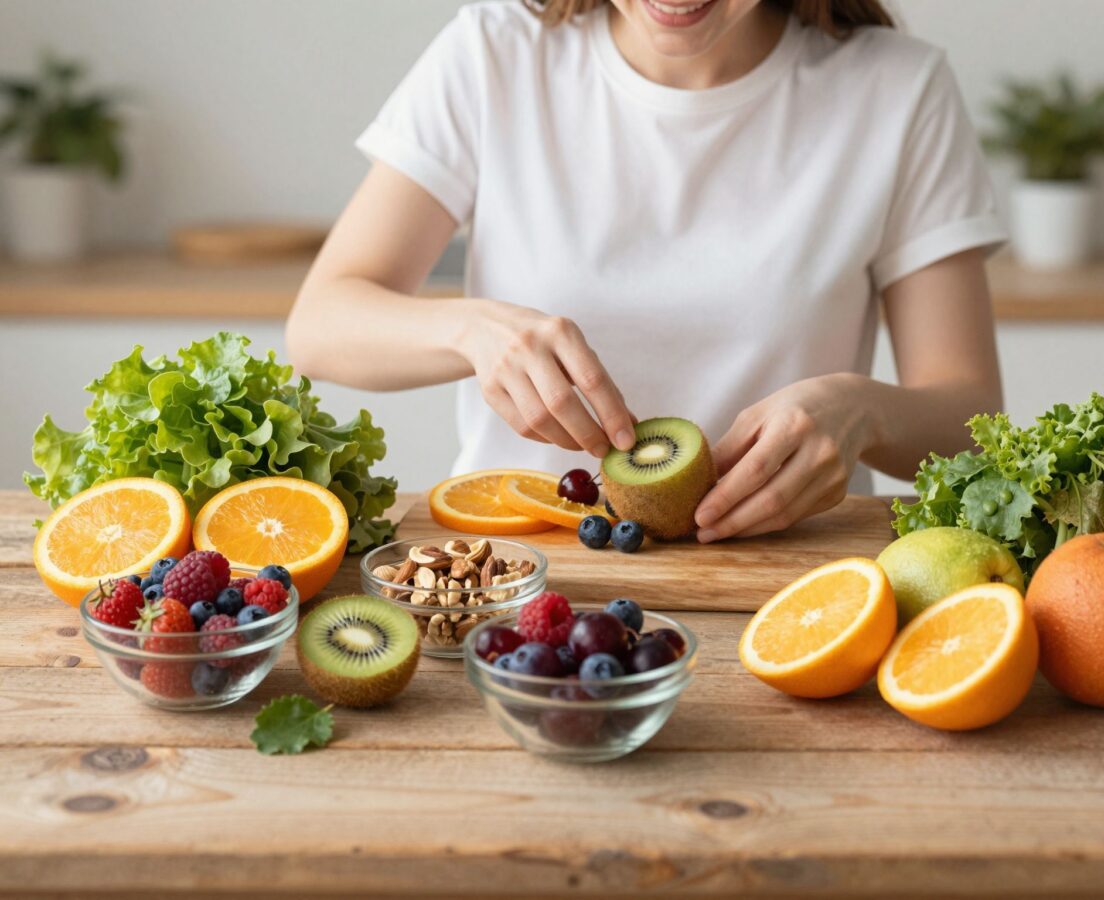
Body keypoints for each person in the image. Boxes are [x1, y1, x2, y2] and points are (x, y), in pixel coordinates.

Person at [286, 0, 1005, 543]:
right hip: (526, 564)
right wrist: (470, 331)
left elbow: (971, 423)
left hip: (780, 578)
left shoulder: (900, 89)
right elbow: (320, 325)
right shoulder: (495, 52)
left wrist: (864, 411)